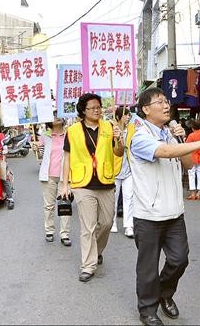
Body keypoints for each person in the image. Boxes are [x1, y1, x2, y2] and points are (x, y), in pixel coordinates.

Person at [128, 88, 200, 326]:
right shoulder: (139, 136)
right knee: (148, 268)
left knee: (180, 259)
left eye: (166, 100)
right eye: (159, 101)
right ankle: (147, 309)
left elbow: (189, 164)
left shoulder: (171, 134)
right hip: (148, 215)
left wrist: (181, 138)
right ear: (145, 109)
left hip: (174, 213)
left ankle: (164, 294)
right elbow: (165, 152)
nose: (165, 104)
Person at [59, 93, 123, 283]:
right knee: (88, 226)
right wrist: (65, 184)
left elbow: (118, 152)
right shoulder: (72, 131)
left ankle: (97, 251)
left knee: (106, 223)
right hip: (82, 184)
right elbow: (67, 157)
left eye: (99, 107)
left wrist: (119, 139)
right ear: (83, 111)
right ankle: (88, 265)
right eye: (92, 108)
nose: (97, 110)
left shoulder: (110, 127)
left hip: (105, 181)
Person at [32, 115, 71, 246]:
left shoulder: (69, 135)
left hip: (65, 176)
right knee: (49, 205)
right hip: (48, 176)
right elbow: (40, 154)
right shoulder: (45, 136)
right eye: (54, 116)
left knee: (65, 205)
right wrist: (36, 148)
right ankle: (49, 231)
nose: (57, 117)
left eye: (59, 115)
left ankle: (65, 234)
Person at [111, 106, 134, 238]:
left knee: (129, 198)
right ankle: (112, 222)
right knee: (113, 199)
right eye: (126, 115)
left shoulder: (132, 129)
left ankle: (129, 226)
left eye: (129, 115)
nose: (128, 117)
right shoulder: (111, 128)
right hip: (114, 170)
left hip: (129, 168)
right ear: (118, 117)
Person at [184, 119, 200, 200]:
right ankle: (199, 193)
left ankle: (192, 193)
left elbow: (186, 146)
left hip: (192, 157)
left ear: (193, 127)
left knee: (191, 174)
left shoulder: (191, 135)